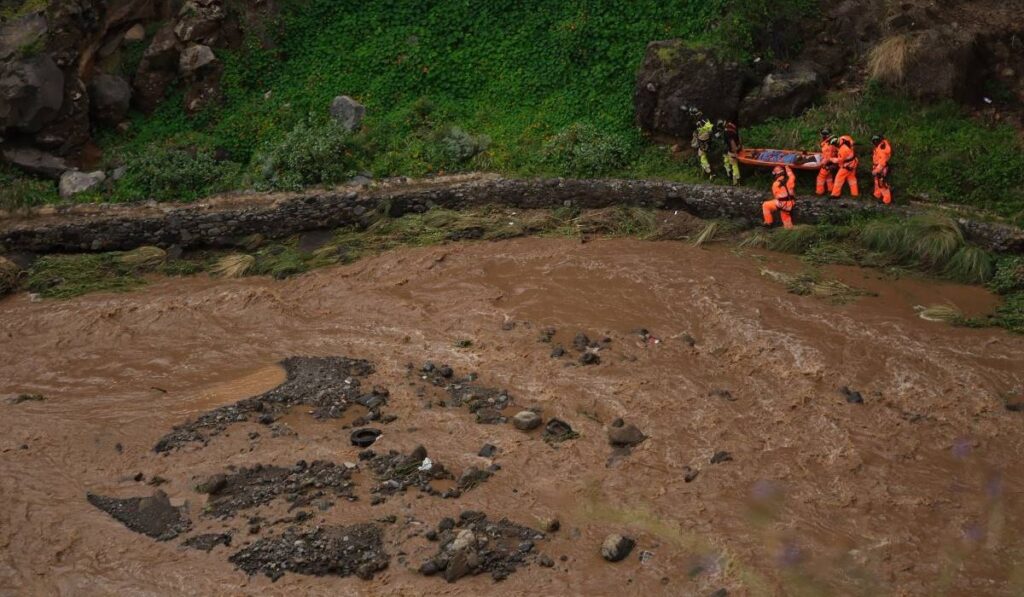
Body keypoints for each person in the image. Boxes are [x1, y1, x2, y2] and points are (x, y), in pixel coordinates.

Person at [689, 107, 714, 179]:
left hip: (705, 140)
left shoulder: (701, 120)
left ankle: (711, 173)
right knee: (703, 155)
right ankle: (708, 173)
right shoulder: (702, 119)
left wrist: (702, 135)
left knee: (702, 155)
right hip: (705, 139)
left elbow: (708, 128)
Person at [717, 119, 742, 185]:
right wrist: (740, 145)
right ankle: (731, 177)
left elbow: (731, 142)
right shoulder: (732, 126)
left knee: (734, 165)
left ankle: (736, 181)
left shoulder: (727, 132)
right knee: (727, 163)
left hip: (732, 150)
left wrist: (735, 150)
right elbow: (738, 136)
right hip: (735, 148)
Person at [871, 134, 893, 204]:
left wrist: (876, 170)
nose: (874, 142)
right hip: (878, 166)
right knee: (877, 183)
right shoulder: (881, 146)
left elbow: (882, 162)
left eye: (875, 141)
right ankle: (877, 196)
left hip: (881, 168)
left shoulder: (881, 149)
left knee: (882, 184)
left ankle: (886, 201)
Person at [816, 129, 837, 195]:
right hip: (831, 163)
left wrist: (822, 163)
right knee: (829, 177)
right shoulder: (830, 142)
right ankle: (830, 190)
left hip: (828, 163)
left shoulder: (828, 145)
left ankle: (819, 192)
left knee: (820, 178)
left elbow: (828, 156)